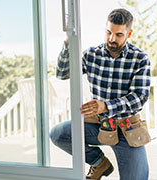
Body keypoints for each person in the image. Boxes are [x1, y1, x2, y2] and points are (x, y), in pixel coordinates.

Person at [50, 8, 151, 180]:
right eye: (108, 32)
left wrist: (105, 106)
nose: (112, 39)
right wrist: (68, 41)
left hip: (126, 129)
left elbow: (139, 97)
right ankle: (99, 162)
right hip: (98, 125)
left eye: (119, 34)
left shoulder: (140, 59)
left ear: (129, 33)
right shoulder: (91, 55)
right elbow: (61, 73)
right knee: (58, 134)